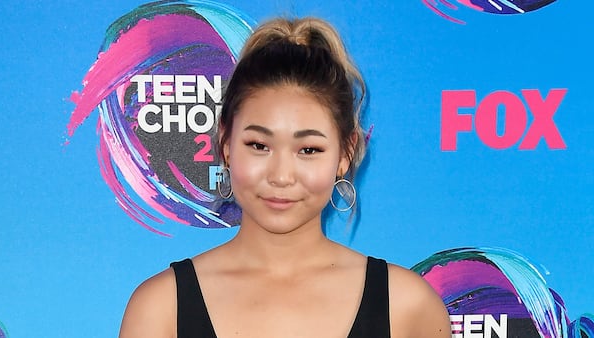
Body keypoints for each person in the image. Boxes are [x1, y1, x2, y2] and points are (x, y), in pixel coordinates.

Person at [119, 17, 451, 338]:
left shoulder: (407, 307)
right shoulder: (160, 308)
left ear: (345, 154)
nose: (281, 176)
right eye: (259, 145)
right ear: (226, 144)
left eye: (308, 150)